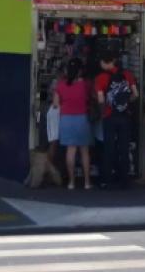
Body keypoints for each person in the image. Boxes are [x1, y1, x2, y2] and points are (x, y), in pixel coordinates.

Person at [94, 51, 139, 189]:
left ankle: (107, 180)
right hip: (125, 117)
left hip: (109, 117)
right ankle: (124, 180)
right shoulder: (128, 75)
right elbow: (135, 95)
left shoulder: (101, 78)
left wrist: (103, 113)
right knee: (124, 148)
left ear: (104, 62)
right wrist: (125, 104)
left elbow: (101, 99)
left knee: (109, 148)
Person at [52, 58, 93, 190]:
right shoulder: (86, 84)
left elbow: (55, 104)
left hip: (66, 120)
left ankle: (71, 182)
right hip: (82, 119)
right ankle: (87, 182)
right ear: (80, 70)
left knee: (70, 151)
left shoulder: (60, 85)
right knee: (84, 152)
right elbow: (93, 98)